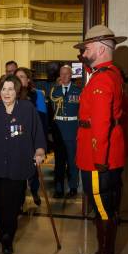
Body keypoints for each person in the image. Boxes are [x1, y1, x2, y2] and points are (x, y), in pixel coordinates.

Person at [71, 25, 128, 254]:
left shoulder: (103, 79)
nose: (84, 51)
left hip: (98, 156)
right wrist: (85, 61)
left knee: (104, 208)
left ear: (101, 48)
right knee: (106, 206)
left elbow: (101, 124)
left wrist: (98, 159)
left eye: (87, 47)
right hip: (110, 154)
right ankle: (104, 252)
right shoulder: (110, 73)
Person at [0, 75, 46, 254]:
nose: (6, 93)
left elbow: (37, 132)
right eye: (3, 89)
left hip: (18, 164)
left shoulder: (27, 109)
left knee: (12, 204)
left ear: (17, 91)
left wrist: (40, 150)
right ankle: (3, 231)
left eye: (10, 89)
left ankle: (8, 237)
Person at [15, 67, 48, 206]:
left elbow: (42, 119)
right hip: (16, 137)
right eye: (17, 76)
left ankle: (34, 191)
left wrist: (41, 141)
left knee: (33, 169)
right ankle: (19, 200)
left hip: (32, 137)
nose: (19, 79)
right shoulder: (11, 93)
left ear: (28, 80)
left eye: (22, 76)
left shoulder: (37, 94)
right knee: (18, 170)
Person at [50, 65, 81, 198]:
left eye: (66, 74)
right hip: (58, 129)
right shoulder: (54, 91)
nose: (63, 76)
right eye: (61, 74)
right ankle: (59, 189)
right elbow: (50, 112)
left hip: (73, 129)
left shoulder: (78, 91)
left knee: (72, 161)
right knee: (59, 162)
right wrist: (50, 131)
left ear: (71, 75)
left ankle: (73, 187)